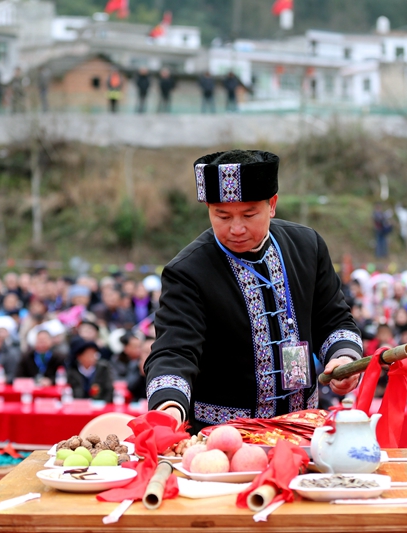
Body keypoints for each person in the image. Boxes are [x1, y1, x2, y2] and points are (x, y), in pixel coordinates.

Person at [145, 149, 363, 431]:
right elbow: (175, 350)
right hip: (223, 437)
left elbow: (334, 320)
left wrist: (343, 358)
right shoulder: (188, 271)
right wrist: (169, 407)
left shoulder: (307, 246)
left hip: (303, 429)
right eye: (222, 216)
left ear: (272, 204)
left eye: (249, 214)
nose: (236, 228)